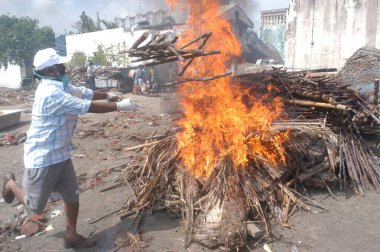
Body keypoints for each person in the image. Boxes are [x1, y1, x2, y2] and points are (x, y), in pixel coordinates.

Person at [1, 48, 137, 249]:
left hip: (62, 153)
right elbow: (86, 105)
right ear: (50, 71)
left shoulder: (61, 84)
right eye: (60, 67)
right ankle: (10, 183)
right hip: (43, 156)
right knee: (35, 206)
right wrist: (120, 107)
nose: (64, 70)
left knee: (72, 195)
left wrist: (109, 95)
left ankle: (71, 235)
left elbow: (85, 92)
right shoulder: (50, 93)